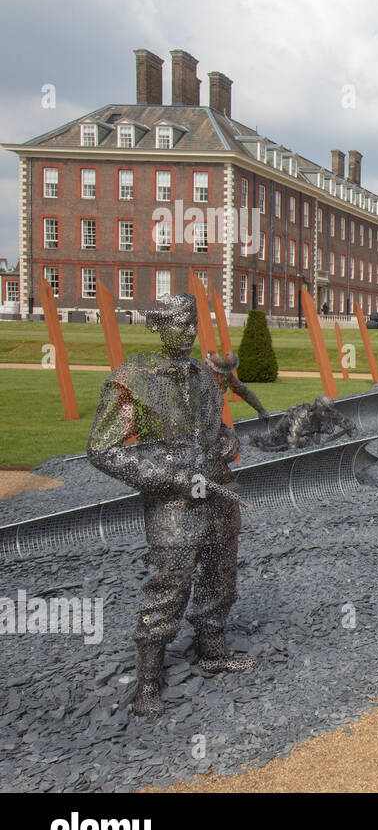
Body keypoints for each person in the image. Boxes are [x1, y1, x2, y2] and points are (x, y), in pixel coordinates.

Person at [87, 295, 253, 716]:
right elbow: (103, 450)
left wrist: (227, 442)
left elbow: (214, 431)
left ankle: (211, 648)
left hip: (216, 491)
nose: (189, 332)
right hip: (172, 501)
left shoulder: (202, 373)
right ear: (159, 327)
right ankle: (147, 681)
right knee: (169, 584)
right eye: (179, 324)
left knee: (221, 572)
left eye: (192, 323)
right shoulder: (132, 379)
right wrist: (172, 480)